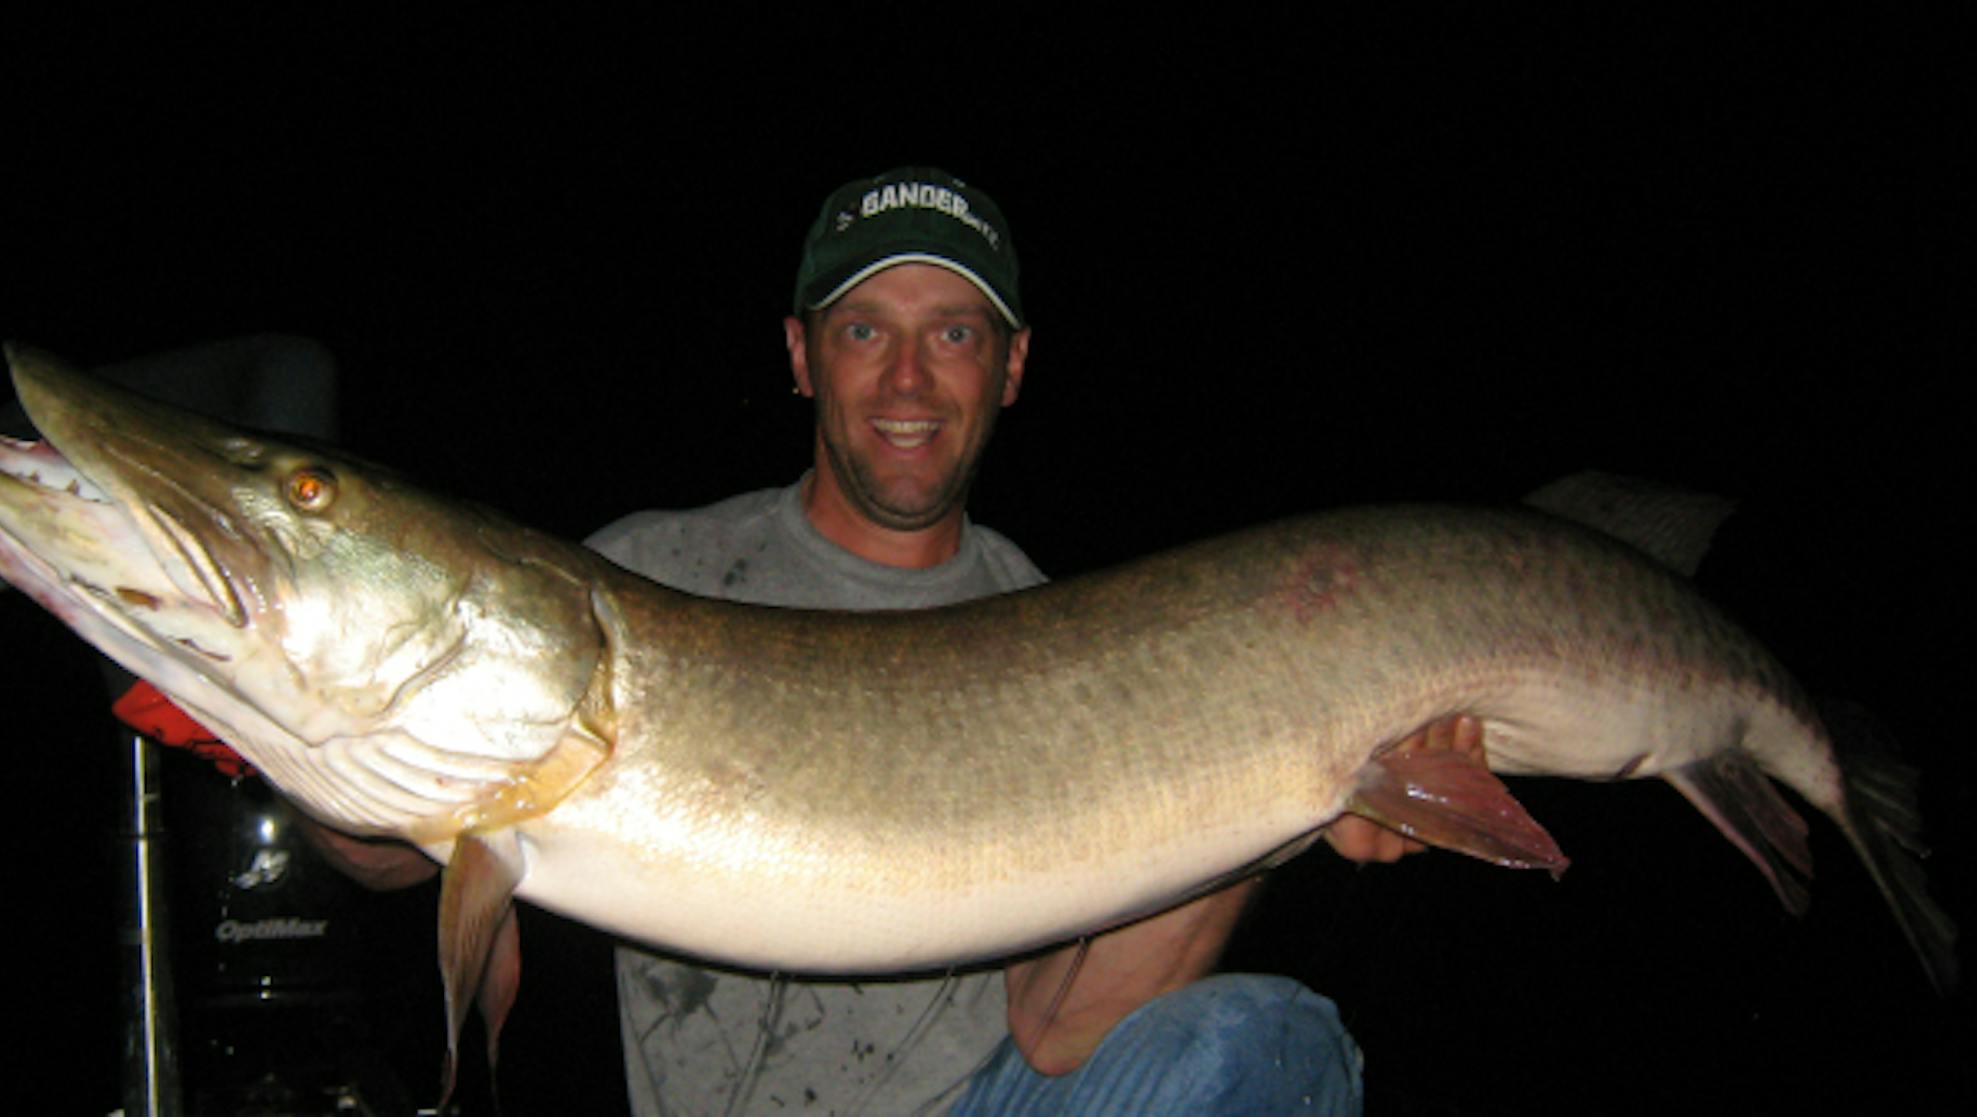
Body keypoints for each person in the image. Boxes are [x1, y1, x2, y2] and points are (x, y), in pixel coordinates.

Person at [587, 167, 1485, 1116]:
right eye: (863, 329)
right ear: (801, 354)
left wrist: (1297, 782)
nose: (907, 377)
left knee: (1272, 1041)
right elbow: (411, 851)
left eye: (955, 333)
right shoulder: (644, 580)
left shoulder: (1068, 646)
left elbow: (1059, 1026)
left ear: (1010, 367)